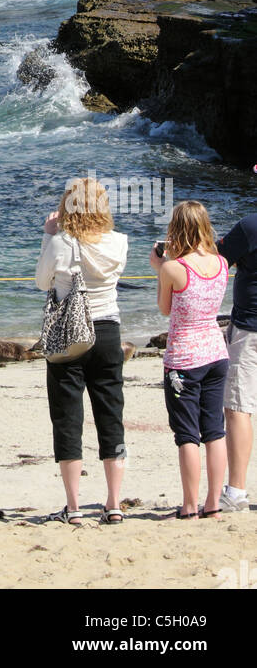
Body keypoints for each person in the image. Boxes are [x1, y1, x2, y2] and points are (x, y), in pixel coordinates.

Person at [36, 176, 128, 525]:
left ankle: (74, 507)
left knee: (67, 418)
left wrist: (48, 233)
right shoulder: (119, 242)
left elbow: (42, 282)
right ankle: (114, 503)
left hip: (69, 333)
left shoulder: (61, 242)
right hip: (107, 330)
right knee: (110, 414)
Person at [151, 201, 229, 519]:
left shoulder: (173, 267)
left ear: (176, 229)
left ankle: (189, 504)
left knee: (187, 435)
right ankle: (213, 503)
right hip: (216, 351)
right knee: (214, 431)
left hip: (184, 357)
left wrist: (160, 267)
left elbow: (166, 308)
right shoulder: (222, 263)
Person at [212, 209, 256, 510]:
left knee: (238, 407)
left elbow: (216, 262)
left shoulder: (250, 225)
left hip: (251, 329)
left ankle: (237, 490)